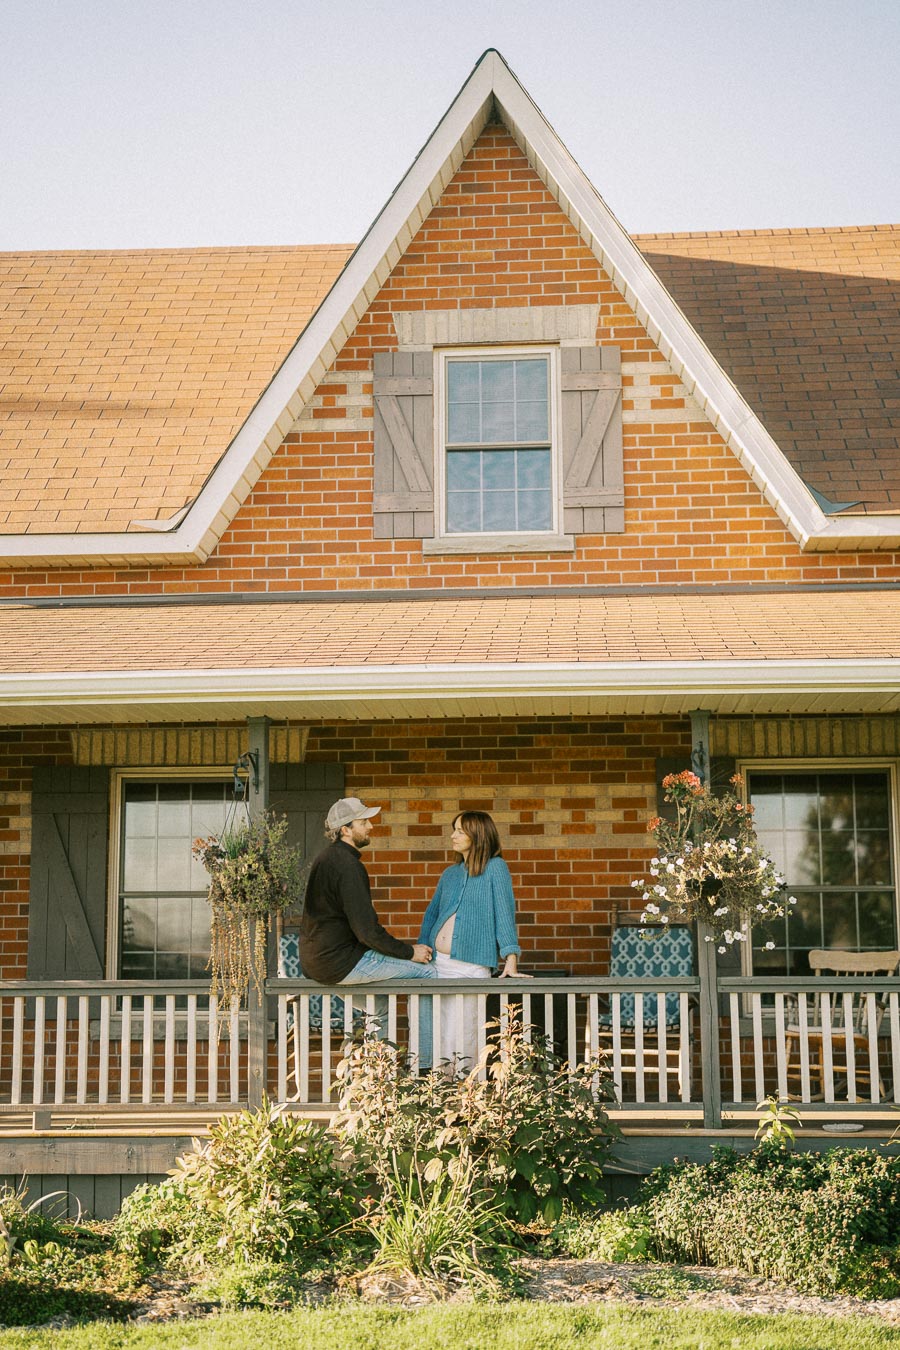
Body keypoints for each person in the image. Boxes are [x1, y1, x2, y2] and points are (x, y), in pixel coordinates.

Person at [299, 797, 436, 1062]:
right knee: (428, 974)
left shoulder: (326, 859)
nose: (371, 827)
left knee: (380, 1004)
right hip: (340, 962)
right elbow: (367, 932)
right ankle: (425, 1067)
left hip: (317, 962)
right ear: (345, 829)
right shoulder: (348, 866)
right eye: (364, 822)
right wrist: (410, 953)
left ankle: (377, 1071)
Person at [418, 811, 529, 1070]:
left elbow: (504, 913)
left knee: (464, 1032)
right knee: (436, 1030)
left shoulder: (495, 868)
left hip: (470, 965)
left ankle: (465, 1093)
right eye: (454, 829)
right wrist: (421, 949)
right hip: (437, 965)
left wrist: (510, 959)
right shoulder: (450, 873)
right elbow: (431, 915)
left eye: (460, 831)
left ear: (477, 835)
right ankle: (437, 1090)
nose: (453, 836)